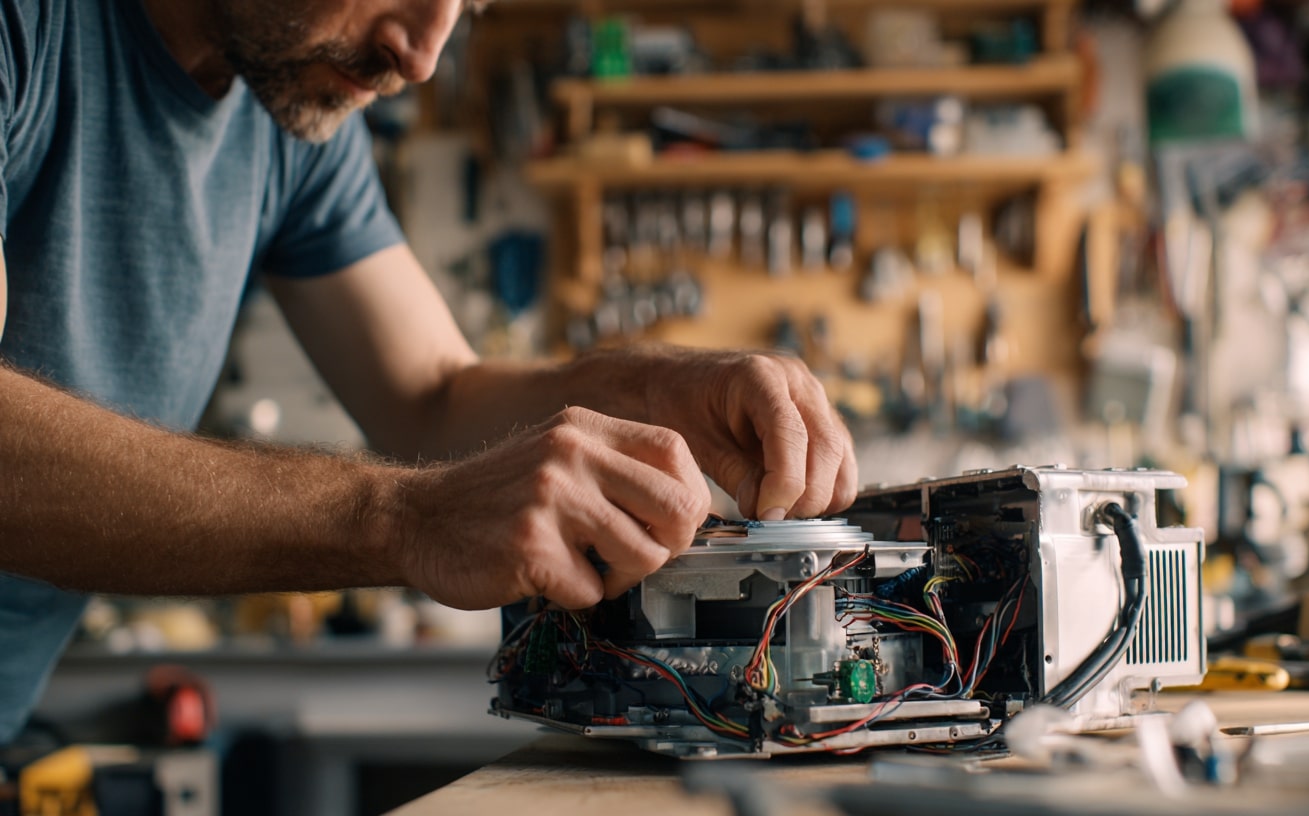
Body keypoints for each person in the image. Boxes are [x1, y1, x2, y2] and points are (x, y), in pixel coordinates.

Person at [0, 0, 857, 744]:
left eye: (471, 6)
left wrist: (652, 390)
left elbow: (435, 397)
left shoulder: (287, 109)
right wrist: (404, 519)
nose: (421, 55)